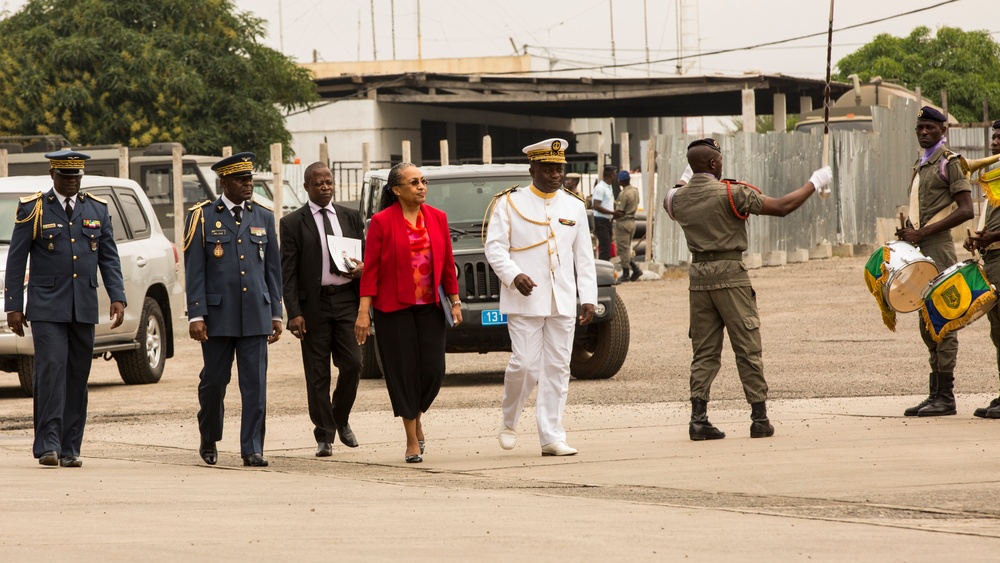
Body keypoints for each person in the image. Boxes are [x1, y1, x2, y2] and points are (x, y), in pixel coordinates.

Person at [664, 138, 831, 440]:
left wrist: (688, 175)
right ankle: (759, 418)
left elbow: (674, 191)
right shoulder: (732, 192)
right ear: (714, 164)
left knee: (703, 352)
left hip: (699, 278)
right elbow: (782, 207)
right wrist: (814, 182)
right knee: (747, 347)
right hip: (731, 274)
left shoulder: (677, 198)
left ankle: (698, 419)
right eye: (720, 159)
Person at [4, 150, 126, 468]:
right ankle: (48, 445)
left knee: (77, 375)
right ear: (53, 175)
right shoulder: (33, 208)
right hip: (46, 307)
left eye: (76, 177)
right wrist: (14, 306)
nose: (72, 182)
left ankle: (71, 446)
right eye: (66, 176)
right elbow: (16, 260)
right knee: (51, 371)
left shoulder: (97, 209)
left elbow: (109, 257)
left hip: (83, 305)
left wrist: (118, 296)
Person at [485, 138, 597, 456]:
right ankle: (509, 420)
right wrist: (512, 274)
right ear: (532, 169)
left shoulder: (574, 206)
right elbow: (494, 247)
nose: (555, 175)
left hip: (561, 298)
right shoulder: (509, 203)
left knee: (559, 367)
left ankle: (551, 436)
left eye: (559, 169)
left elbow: (584, 257)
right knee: (524, 365)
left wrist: (587, 296)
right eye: (548, 169)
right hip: (524, 298)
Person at [354, 162, 462, 464]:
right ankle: (411, 438)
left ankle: (416, 413)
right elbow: (370, 270)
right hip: (393, 309)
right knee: (403, 373)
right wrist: (364, 313)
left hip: (430, 308)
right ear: (396, 190)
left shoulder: (438, 218)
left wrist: (454, 302)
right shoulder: (381, 222)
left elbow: (447, 264)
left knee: (432, 371)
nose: (421, 186)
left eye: (423, 181)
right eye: (413, 182)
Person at [183, 152, 283, 467]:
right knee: (213, 382)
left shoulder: (263, 216)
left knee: (255, 384)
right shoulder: (202, 216)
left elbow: (272, 269)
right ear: (224, 182)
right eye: (241, 180)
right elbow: (194, 270)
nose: (248, 184)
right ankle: (209, 436)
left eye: (250, 179)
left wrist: (276, 312)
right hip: (217, 316)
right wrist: (196, 314)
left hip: (256, 312)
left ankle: (252, 448)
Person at [280, 162, 365, 457]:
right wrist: (294, 312)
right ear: (307, 187)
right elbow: (287, 273)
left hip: (345, 300)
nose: (325, 187)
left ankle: (339, 417)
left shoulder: (351, 217)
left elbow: (366, 256)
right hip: (312, 306)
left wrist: (363, 270)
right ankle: (324, 435)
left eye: (329, 182)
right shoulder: (292, 223)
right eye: (319, 183)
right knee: (317, 374)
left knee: (353, 364)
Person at [897, 106, 974, 418]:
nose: (924, 132)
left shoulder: (950, 163)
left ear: (944, 130)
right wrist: (908, 233)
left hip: (939, 249)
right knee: (926, 320)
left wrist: (925, 231)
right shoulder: (921, 165)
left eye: (930, 127)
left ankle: (946, 396)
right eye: (920, 128)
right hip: (919, 250)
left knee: (944, 317)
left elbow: (966, 209)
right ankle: (934, 395)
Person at [964, 119, 1000, 418]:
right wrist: (979, 239)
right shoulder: (995, 177)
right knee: (997, 331)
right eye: (994, 137)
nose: (995, 142)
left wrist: (993, 236)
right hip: (992, 259)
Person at [614, 170, 642, 282]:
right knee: (627, 247)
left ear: (620, 181)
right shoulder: (635, 191)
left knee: (622, 248)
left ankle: (627, 272)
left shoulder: (623, 194)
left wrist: (613, 215)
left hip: (623, 222)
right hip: (632, 222)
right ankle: (635, 269)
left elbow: (620, 211)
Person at [591, 165, 617, 260]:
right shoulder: (600, 188)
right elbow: (596, 205)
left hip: (607, 221)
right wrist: (613, 213)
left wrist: (613, 211)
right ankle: (603, 271)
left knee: (608, 248)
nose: (616, 176)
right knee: (605, 248)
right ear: (611, 174)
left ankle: (605, 269)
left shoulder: (609, 187)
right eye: (615, 173)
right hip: (600, 221)